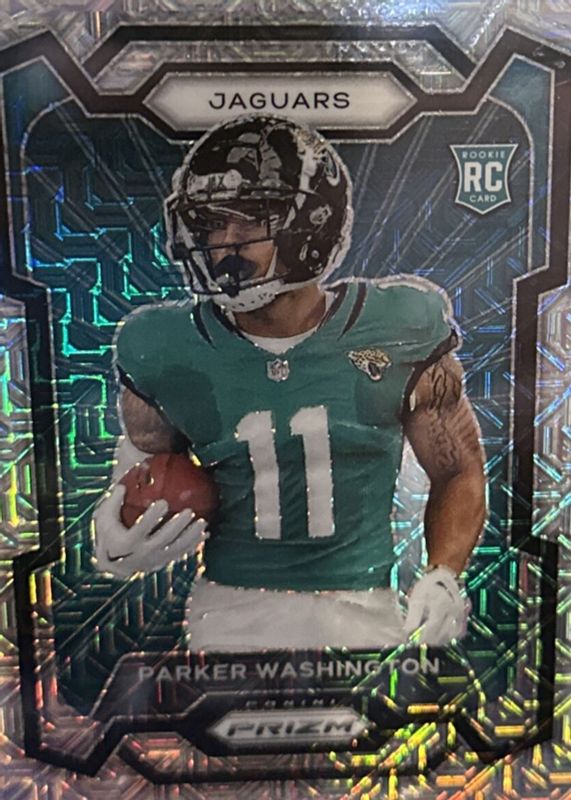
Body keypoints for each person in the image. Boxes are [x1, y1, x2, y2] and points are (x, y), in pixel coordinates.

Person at [93, 114, 486, 651]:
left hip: (363, 612)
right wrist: (116, 527)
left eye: (253, 220)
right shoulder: (162, 345)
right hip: (224, 615)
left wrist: (443, 574)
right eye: (212, 223)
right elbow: (146, 465)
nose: (225, 243)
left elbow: (457, 469)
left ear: (313, 224)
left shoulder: (398, 326)